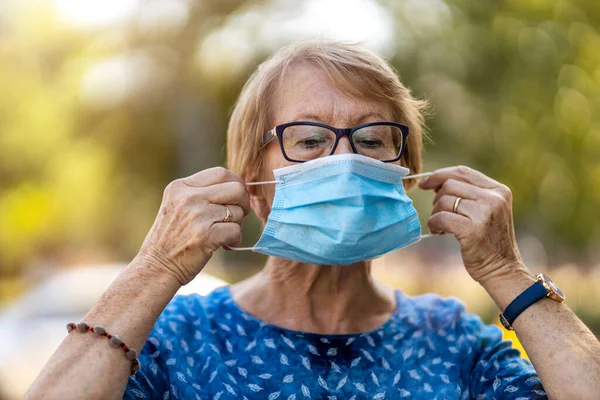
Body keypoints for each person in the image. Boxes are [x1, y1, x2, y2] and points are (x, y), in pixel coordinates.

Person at [26, 41, 600, 399]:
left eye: (374, 139)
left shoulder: (452, 343)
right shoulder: (179, 341)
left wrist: (506, 270)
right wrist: (154, 266)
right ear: (252, 180)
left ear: (408, 175)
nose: (345, 160)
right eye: (308, 139)